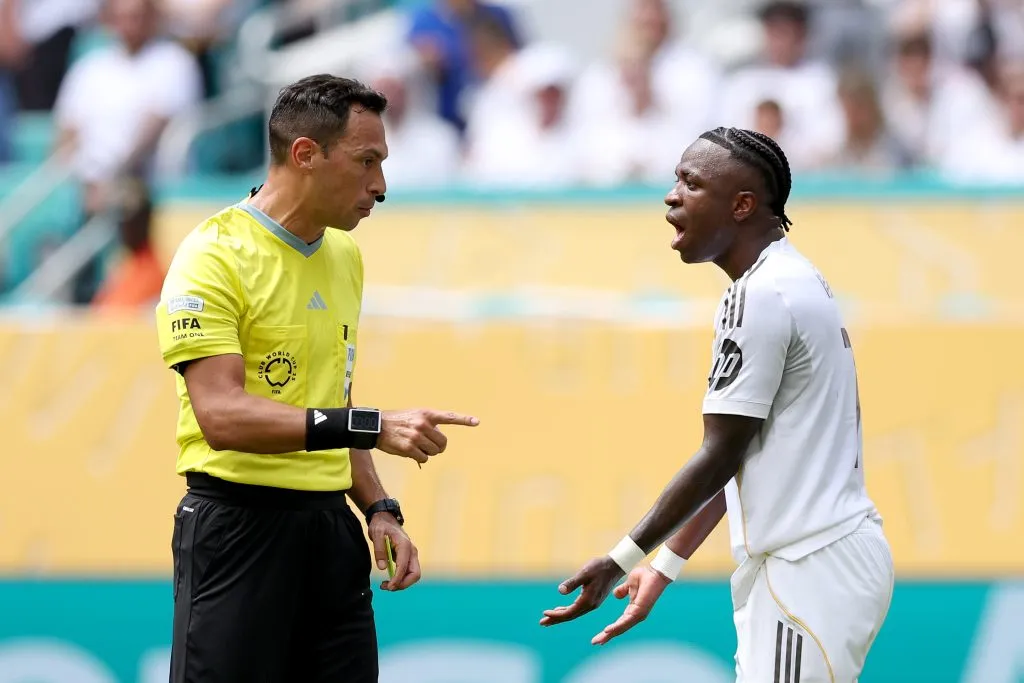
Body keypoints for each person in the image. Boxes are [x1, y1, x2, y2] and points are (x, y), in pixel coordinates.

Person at [155, 74, 480, 683]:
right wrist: (372, 426)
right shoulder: (213, 255)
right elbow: (220, 416)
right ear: (305, 154)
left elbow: (333, 399)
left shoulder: (343, 255)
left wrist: (379, 508)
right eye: (366, 162)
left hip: (330, 532)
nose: (380, 186)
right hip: (237, 529)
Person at [540, 127, 893, 682]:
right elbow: (742, 452)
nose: (671, 196)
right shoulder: (788, 278)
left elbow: (721, 453)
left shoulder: (760, 293)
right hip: (812, 563)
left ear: (743, 205)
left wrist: (620, 561)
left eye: (691, 182)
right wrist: (665, 564)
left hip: (808, 564)